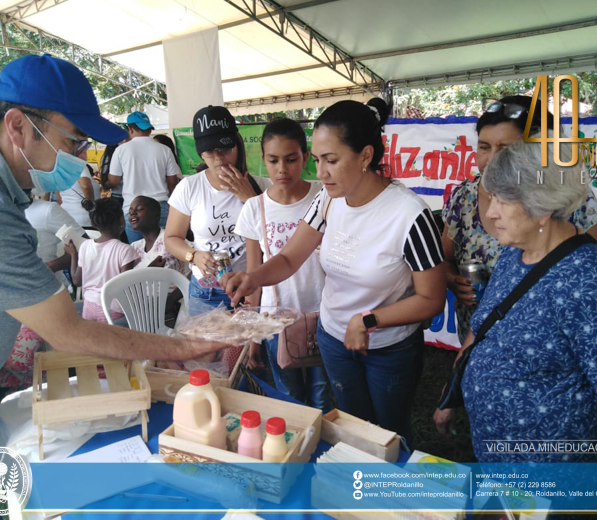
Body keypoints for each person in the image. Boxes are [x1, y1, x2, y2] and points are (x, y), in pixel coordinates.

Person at [0, 54, 230, 502]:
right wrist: (183, 346)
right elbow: (67, 332)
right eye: (74, 142)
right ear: (17, 126)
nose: (82, 158)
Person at [222, 99, 446, 445]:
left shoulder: (409, 215)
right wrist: (254, 278)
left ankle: (395, 494)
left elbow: (431, 299)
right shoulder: (328, 201)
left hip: (388, 348)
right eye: (317, 160)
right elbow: (288, 259)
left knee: (391, 432)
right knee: (353, 425)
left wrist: (368, 321)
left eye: (332, 161)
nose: (321, 172)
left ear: (366, 156)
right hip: (333, 339)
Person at [434, 136, 597, 462]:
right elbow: (485, 323)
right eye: (491, 197)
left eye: (503, 201)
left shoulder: (590, 284)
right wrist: (455, 389)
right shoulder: (516, 252)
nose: (491, 212)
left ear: (543, 207)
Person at [442, 95, 597, 343]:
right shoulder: (464, 198)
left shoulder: (565, 197)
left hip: (543, 348)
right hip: (478, 337)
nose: (492, 159)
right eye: (484, 147)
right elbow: (445, 258)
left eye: (505, 149)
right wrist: (452, 280)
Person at [234, 118, 332, 412]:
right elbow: (254, 274)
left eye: (291, 159)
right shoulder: (255, 208)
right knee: (289, 397)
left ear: (305, 157)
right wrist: (254, 338)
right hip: (277, 320)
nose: (282, 169)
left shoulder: (326, 197)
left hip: (324, 314)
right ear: (262, 159)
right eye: (273, 160)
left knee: (323, 397)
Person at [165, 105, 271, 310]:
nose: (219, 157)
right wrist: (193, 255)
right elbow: (171, 238)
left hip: (253, 288)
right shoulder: (190, 187)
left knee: (250, 342)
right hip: (207, 292)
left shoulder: (261, 186)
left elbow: (274, 237)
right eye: (209, 151)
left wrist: (250, 199)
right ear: (200, 153)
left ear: (237, 144)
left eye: (224, 148)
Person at [107, 111, 181, 243]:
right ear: (149, 129)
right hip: (160, 209)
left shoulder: (121, 150)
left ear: (130, 128)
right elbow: (172, 182)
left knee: (138, 254)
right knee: (164, 253)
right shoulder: (164, 150)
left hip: (133, 209)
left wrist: (105, 183)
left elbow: (114, 181)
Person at [65, 198, 140, 323]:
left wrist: (73, 254)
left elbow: (77, 280)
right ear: (122, 220)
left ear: (93, 223)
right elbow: (124, 287)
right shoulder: (125, 250)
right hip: (114, 309)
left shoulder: (85, 246)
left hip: (89, 306)